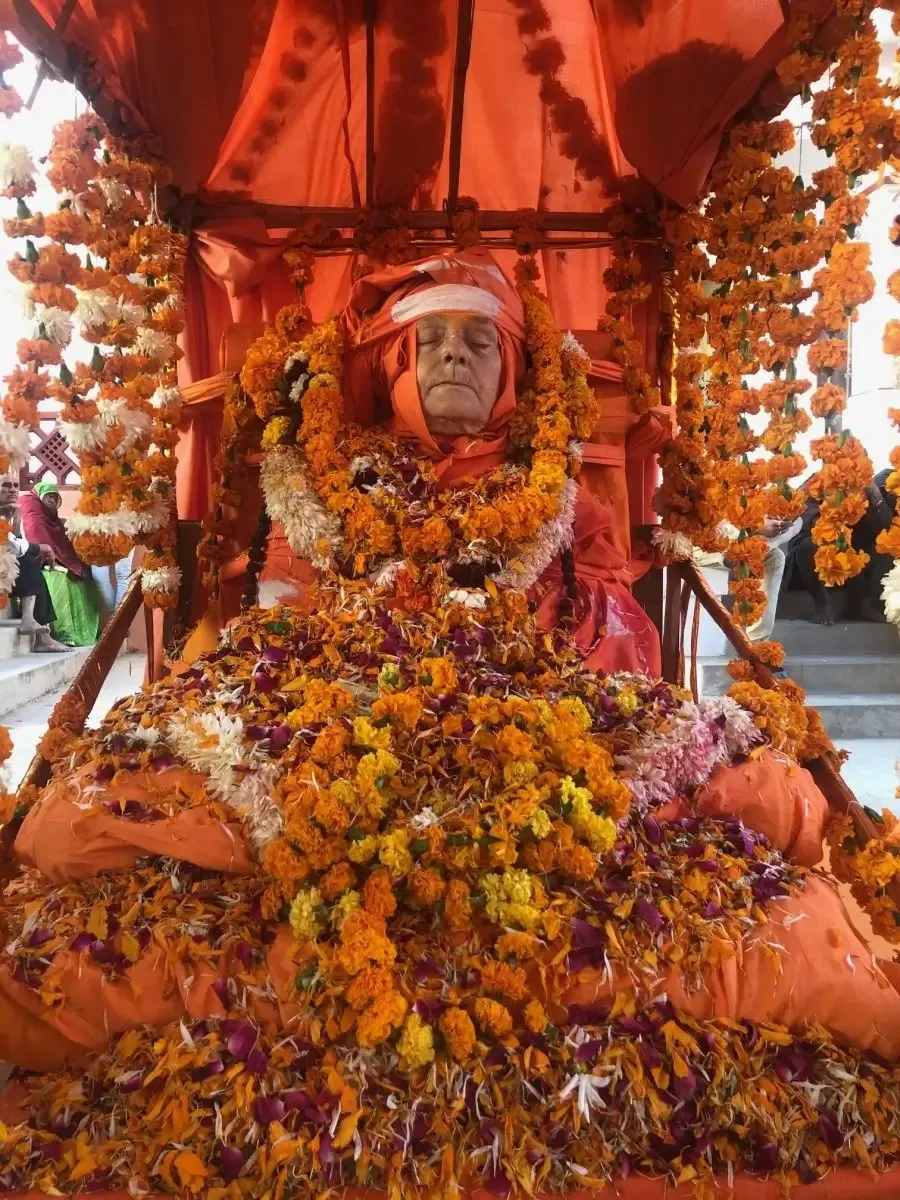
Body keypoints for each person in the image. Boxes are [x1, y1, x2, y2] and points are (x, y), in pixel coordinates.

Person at [2, 250, 900, 1198]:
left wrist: (524, 687)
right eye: (432, 342)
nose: (455, 360)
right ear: (392, 367)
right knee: (81, 822)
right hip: (333, 730)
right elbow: (278, 631)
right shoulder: (324, 490)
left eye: (479, 341)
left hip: (547, 733)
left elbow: (618, 654)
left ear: (514, 367)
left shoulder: (562, 498)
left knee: (769, 811)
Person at [787, 472, 896, 624]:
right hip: (813, 564)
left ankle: (864, 605)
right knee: (807, 546)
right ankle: (823, 604)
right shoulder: (816, 482)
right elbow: (808, 521)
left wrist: (875, 496)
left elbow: (884, 527)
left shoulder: (865, 491)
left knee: (890, 544)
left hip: (851, 567)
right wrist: (838, 517)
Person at [17, 481, 100, 646]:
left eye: (55, 497)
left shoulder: (52, 516)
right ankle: (64, 632)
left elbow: (62, 542)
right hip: (35, 558)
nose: (52, 501)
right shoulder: (31, 507)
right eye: (49, 496)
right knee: (60, 580)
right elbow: (36, 534)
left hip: (54, 558)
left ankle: (82, 631)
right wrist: (52, 559)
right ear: (39, 495)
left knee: (84, 578)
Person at [1, 503, 68, 653]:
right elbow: (15, 548)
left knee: (28, 561)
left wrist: (16, 521)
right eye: (5, 485)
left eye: (15, 485)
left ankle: (40, 634)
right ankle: (30, 622)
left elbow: (15, 544)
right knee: (27, 560)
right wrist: (41, 547)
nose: (11, 489)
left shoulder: (11, 511)